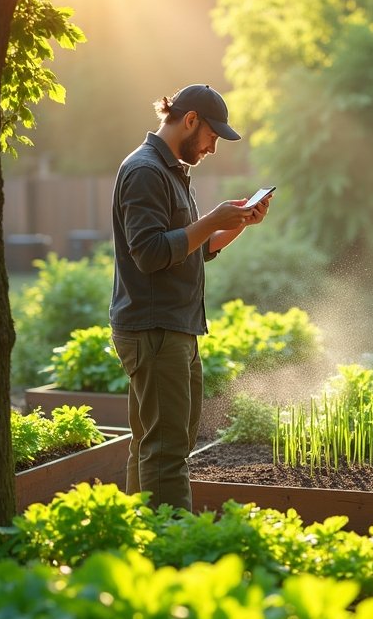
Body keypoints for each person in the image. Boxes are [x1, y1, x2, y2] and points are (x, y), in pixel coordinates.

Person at [109, 83, 272, 510]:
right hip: (155, 330)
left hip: (172, 328)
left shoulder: (173, 170)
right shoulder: (145, 171)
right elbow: (149, 253)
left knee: (151, 443)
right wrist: (211, 218)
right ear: (191, 120)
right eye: (212, 136)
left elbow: (195, 249)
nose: (213, 148)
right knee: (166, 452)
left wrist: (236, 224)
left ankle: (137, 538)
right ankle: (170, 556)